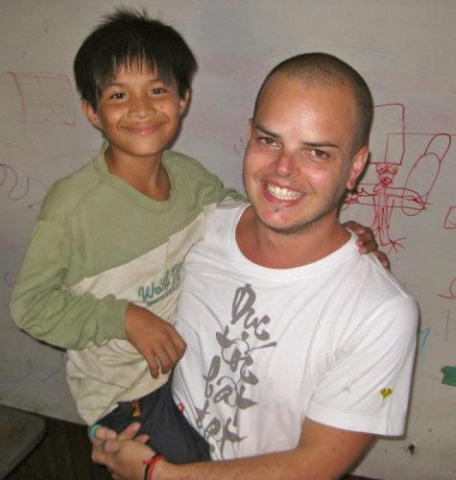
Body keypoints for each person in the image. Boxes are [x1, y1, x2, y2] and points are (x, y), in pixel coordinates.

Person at [9, 8, 383, 451]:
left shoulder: (188, 178)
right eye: (117, 96)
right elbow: (30, 306)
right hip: (127, 397)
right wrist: (123, 317)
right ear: (92, 111)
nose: (141, 108)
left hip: (188, 374)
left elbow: (254, 217)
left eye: (158, 89)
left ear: (183, 99)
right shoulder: (72, 207)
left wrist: (332, 237)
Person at [91, 52, 418, 480]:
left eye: (316, 153)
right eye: (269, 140)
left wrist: (158, 474)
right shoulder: (194, 228)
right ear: (249, 135)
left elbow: (315, 465)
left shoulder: (380, 312)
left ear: (355, 167)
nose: (283, 170)